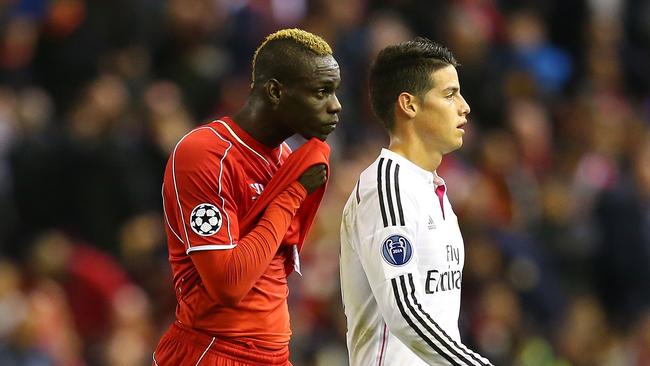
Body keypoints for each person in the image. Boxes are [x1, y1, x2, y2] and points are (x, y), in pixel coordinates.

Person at [152, 28, 341, 366]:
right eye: (321, 92)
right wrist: (293, 193)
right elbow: (229, 284)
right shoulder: (205, 153)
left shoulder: (287, 161)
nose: (335, 106)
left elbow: (271, 273)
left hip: (274, 355)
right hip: (213, 351)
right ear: (275, 91)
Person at [340, 37, 494, 366]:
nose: (464, 106)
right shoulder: (387, 188)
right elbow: (405, 312)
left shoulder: (432, 189)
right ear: (409, 104)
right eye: (450, 94)